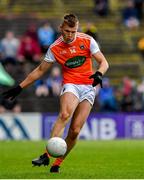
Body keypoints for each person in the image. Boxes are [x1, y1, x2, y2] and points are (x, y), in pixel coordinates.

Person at [1, 14, 109, 173]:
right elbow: (40, 70)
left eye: (73, 31)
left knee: (75, 131)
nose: (70, 35)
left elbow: (104, 62)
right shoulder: (55, 47)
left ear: (77, 28)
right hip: (71, 84)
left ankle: (57, 163)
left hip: (89, 87)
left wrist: (99, 73)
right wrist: (20, 87)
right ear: (61, 28)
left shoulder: (87, 40)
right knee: (65, 114)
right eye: (67, 31)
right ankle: (45, 155)